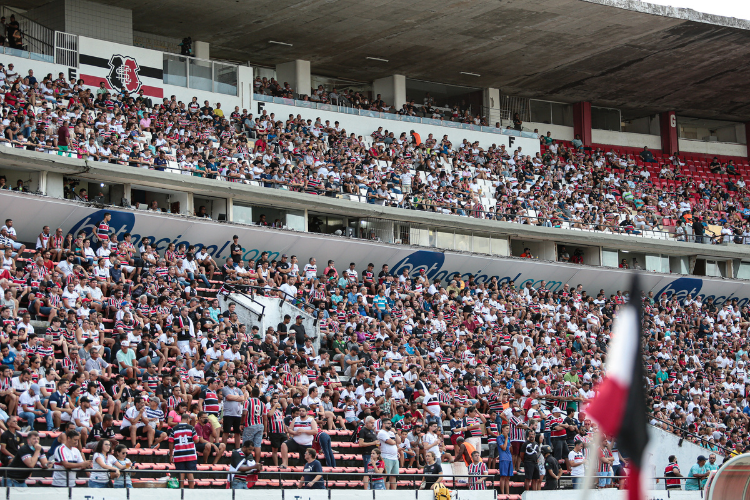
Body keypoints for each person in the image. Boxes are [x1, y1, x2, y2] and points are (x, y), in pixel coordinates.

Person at [169, 412, 198, 488]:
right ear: (188, 419)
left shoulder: (174, 429)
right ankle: (191, 491)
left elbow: (171, 442)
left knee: (181, 474)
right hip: (190, 455)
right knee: (190, 473)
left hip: (179, 455)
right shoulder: (191, 428)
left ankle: (181, 491)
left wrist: (171, 454)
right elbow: (196, 440)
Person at [377, 416, 400, 489]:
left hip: (394, 457)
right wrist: (395, 442)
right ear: (383, 424)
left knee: (394, 476)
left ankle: (393, 492)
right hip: (386, 457)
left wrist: (395, 433)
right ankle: (383, 490)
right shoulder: (381, 433)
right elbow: (390, 442)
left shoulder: (391, 432)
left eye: (391, 423)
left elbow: (399, 441)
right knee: (385, 475)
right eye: (388, 423)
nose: (390, 425)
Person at [496, 423, 513, 495]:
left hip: (509, 458)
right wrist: (506, 438)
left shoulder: (509, 438)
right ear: (502, 429)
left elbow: (510, 449)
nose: (508, 430)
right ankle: (502, 493)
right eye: (506, 428)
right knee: (503, 476)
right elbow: (503, 447)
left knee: (508, 477)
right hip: (503, 458)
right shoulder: (499, 437)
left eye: (508, 429)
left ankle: (508, 493)